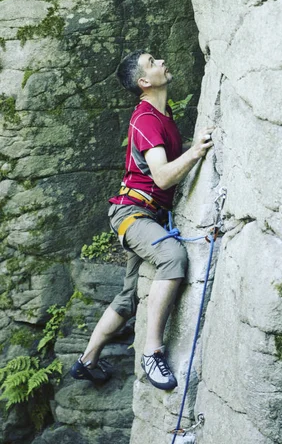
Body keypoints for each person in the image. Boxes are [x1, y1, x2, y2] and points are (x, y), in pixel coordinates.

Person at [70, 50, 213, 390]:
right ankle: (153, 351)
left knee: (129, 296)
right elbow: (163, 177)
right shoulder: (146, 118)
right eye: (153, 62)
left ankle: (86, 360)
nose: (163, 61)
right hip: (134, 213)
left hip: (145, 213)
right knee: (172, 257)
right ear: (144, 82)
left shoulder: (163, 113)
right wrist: (196, 152)